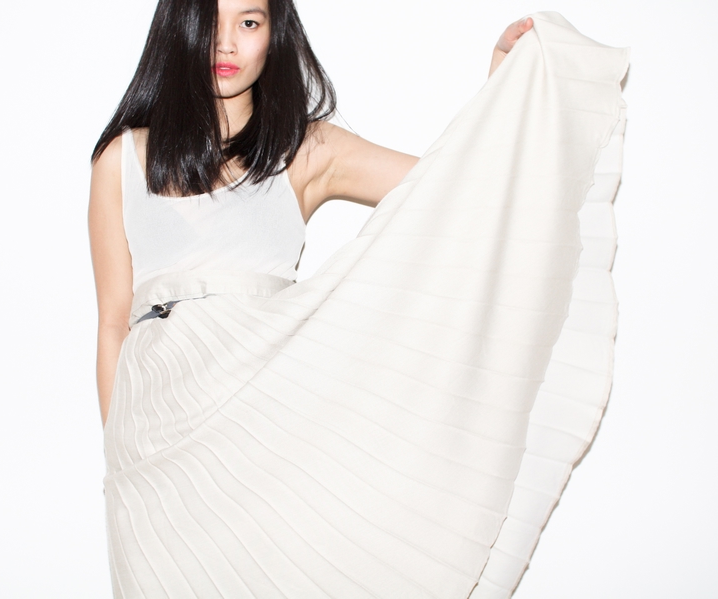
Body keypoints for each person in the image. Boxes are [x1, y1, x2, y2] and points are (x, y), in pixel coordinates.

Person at [88, 1, 627, 597]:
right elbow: (113, 323)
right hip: (155, 445)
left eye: (249, 22)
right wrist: (121, 456)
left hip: (266, 428)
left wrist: (500, 83)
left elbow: (457, 193)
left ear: (274, 34)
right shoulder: (122, 160)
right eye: (211, 20)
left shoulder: (307, 149)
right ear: (179, 24)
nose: (228, 43)